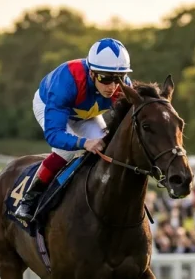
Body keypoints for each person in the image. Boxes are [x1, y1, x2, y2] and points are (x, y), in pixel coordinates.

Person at [13, 37, 134, 222]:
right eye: (105, 78)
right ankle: (30, 199)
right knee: (67, 151)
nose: (112, 86)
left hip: (86, 112)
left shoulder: (123, 87)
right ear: (92, 73)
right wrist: (84, 142)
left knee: (107, 148)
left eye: (118, 78)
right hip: (49, 105)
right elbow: (54, 135)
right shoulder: (67, 82)